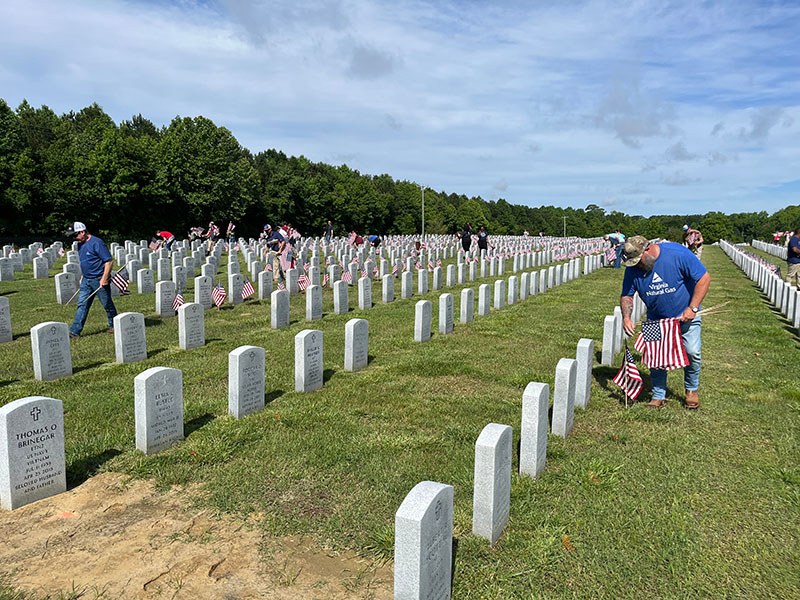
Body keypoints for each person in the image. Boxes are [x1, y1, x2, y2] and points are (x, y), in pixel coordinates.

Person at [620, 235, 710, 409]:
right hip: (656, 319)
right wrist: (626, 317)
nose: (637, 265)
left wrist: (693, 308)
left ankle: (691, 390)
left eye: (639, 260)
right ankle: (658, 395)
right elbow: (627, 295)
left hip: (685, 315)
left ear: (648, 248)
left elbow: (704, 278)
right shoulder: (633, 268)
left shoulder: (678, 254)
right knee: (656, 357)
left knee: (692, 352)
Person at [66, 221, 118, 338]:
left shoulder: (97, 243)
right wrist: (82, 276)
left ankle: (115, 325)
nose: (74, 238)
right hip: (86, 280)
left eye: (75, 235)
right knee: (82, 304)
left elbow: (109, 261)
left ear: (83, 232)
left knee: (107, 304)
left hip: (99, 279)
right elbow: (85, 261)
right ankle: (75, 331)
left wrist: (104, 279)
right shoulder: (80, 244)